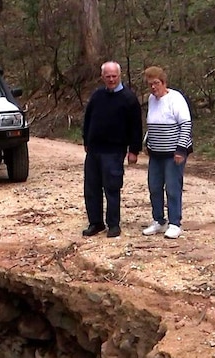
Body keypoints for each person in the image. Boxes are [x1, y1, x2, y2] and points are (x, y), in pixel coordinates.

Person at [81, 61, 143, 238]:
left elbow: (136, 127)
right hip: (94, 150)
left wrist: (134, 150)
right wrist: (86, 139)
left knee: (112, 188)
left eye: (114, 76)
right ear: (102, 77)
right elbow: (88, 119)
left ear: (119, 76)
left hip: (114, 151)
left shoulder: (128, 98)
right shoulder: (97, 96)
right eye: (107, 76)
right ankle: (96, 223)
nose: (111, 79)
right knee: (91, 189)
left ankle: (113, 224)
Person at [140, 66, 192, 239]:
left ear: (163, 82)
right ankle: (158, 221)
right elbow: (152, 124)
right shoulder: (151, 100)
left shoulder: (175, 99)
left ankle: (175, 223)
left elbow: (185, 125)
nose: (153, 87)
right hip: (156, 153)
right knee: (154, 187)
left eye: (156, 83)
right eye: (150, 84)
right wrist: (147, 143)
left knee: (172, 187)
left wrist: (181, 150)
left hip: (173, 153)